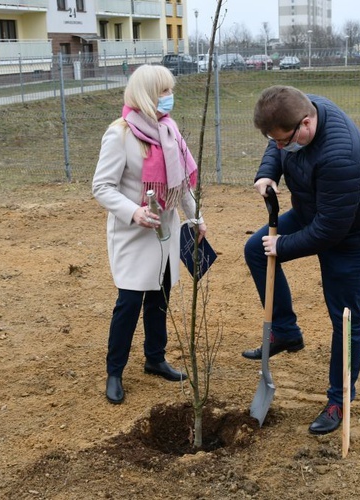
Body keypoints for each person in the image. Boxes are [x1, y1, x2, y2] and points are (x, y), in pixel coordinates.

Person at [242, 85, 360, 435]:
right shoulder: (295, 111)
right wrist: (267, 172)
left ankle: (340, 398)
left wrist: (283, 246)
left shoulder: (340, 155)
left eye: (285, 142)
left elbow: (329, 232)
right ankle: (285, 331)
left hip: (355, 233)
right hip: (317, 211)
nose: (280, 147)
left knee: (344, 315)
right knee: (255, 249)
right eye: (276, 141)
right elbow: (275, 141)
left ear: (306, 124)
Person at [92, 64, 207, 405]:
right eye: (162, 92)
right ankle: (115, 371)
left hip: (166, 232)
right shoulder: (120, 133)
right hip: (133, 234)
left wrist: (195, 217)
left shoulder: (169, 131)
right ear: (145, 95)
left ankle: (155, 358)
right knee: (129, 303)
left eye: (170, 91)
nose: (169, 98)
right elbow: (102, 186)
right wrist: (133, 211)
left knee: (160, 297)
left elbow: (181, 183)